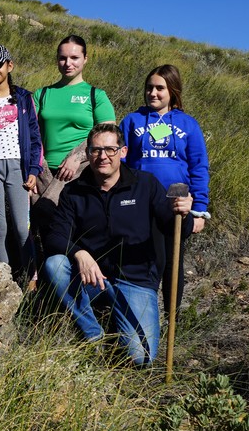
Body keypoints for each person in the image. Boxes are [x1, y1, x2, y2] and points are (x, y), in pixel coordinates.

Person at [42, 123, 193, 366]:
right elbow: (54, 236)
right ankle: (93, 333)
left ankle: (119, 319)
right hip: (93, 279)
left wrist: (184, 215)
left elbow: (173, 229)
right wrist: (79, 253)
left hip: (136, 281)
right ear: (88, 153)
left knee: (141, 358)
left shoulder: (145, 184)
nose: (103, 157)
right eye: (96, 150)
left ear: (122, 152)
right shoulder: (74, 192)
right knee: (55, 264)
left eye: (110, 150)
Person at [120, 64, 210, 314]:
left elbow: (199, 165)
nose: (153, 93)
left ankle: (172, 319)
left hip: (176, 202)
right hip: (141, 201)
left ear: (173, 91)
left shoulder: (188, 124)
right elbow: (123, 162)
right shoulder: (132, 121)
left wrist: (200, 209)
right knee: (143, 262)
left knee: (173, 263)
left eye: (160, 88)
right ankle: (142, 316)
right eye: (149, 87)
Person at [0, 44, 42, 279]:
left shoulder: (23, 98)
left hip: (18, 168)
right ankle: (3, 281)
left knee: (22, 228)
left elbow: (35, 137)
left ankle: (31, 282)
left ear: (9, 65)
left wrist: (34, 169)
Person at [32, 35, 116, 217]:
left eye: (74, 58)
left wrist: (77, 157)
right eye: (62, 58)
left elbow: (108, 136)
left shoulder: (96, 95)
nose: (68, 63)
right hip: (43, 173)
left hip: (79, 176)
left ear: (85, 59)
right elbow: (28, 131)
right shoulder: (42, 93)